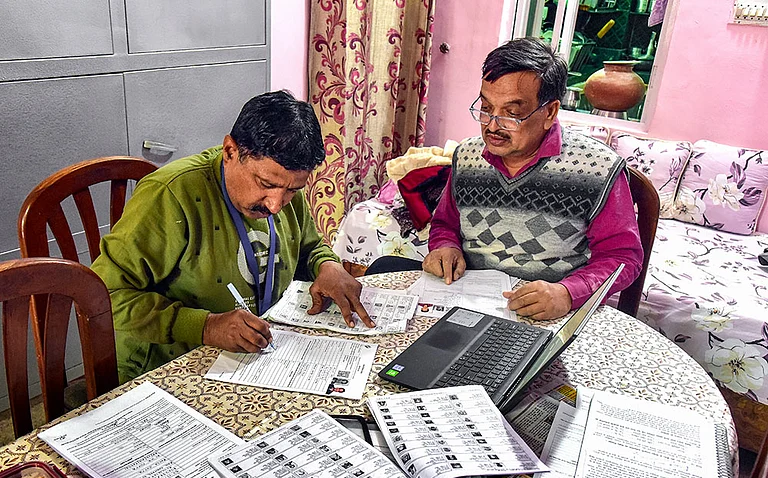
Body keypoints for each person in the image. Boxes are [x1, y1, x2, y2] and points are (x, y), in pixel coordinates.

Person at [92, 90, 374, 383]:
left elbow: (309, 245)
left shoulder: (281, 188)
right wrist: (205, 326)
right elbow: (105, 296)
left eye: (292, 191)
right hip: (170, 366)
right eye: (266, 183)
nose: (275, 205)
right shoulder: (171, 195)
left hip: (255, 355)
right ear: (230, 152)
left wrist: (327, 265)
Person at [422, 37, 643, 320]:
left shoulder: (597, 168)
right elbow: (445, 224)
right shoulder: (467, 156)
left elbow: (623, 257)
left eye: (512, 114)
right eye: (486, 108)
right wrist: (445, 246)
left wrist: (568, 292)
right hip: (467, 302)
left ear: (549, 112)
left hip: (548, 314)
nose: (492, 126)